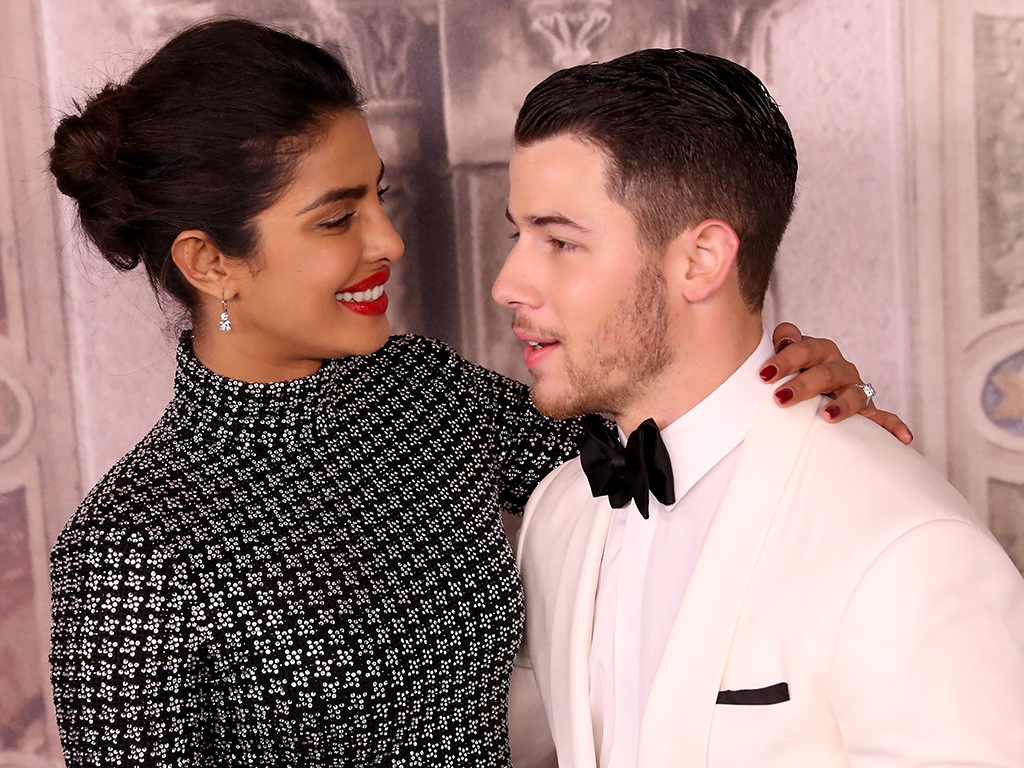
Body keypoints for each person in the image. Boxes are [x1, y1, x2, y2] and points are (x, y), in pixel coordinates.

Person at [47, 19, 905, 768]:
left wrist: (793, 388)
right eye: (338, 217)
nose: (388, 240)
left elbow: (665, 455)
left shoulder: (421, 391)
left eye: (377, 198)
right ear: (210, 262)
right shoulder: (128, 554)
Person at [500, 48, 1024, 768]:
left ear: (702, 259)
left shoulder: (907, 545)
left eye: (559, 241)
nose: (508, 283)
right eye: (516, 235)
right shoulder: (560, 511)